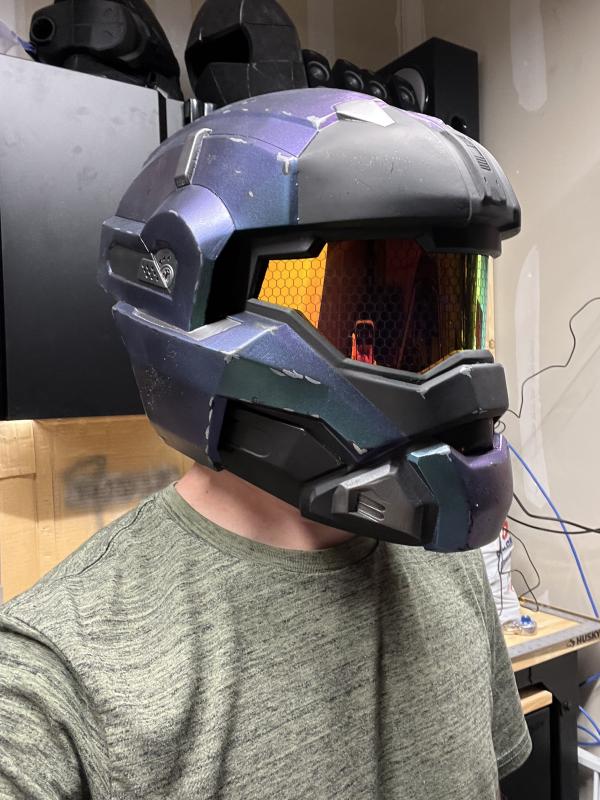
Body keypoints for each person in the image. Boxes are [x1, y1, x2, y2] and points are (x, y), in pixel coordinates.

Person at [0, 88, 531, 798]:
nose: (465, 379)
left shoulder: (451, 567)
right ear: (206, 298)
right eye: (369, 322)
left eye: (444, 314)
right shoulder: (58, 678)